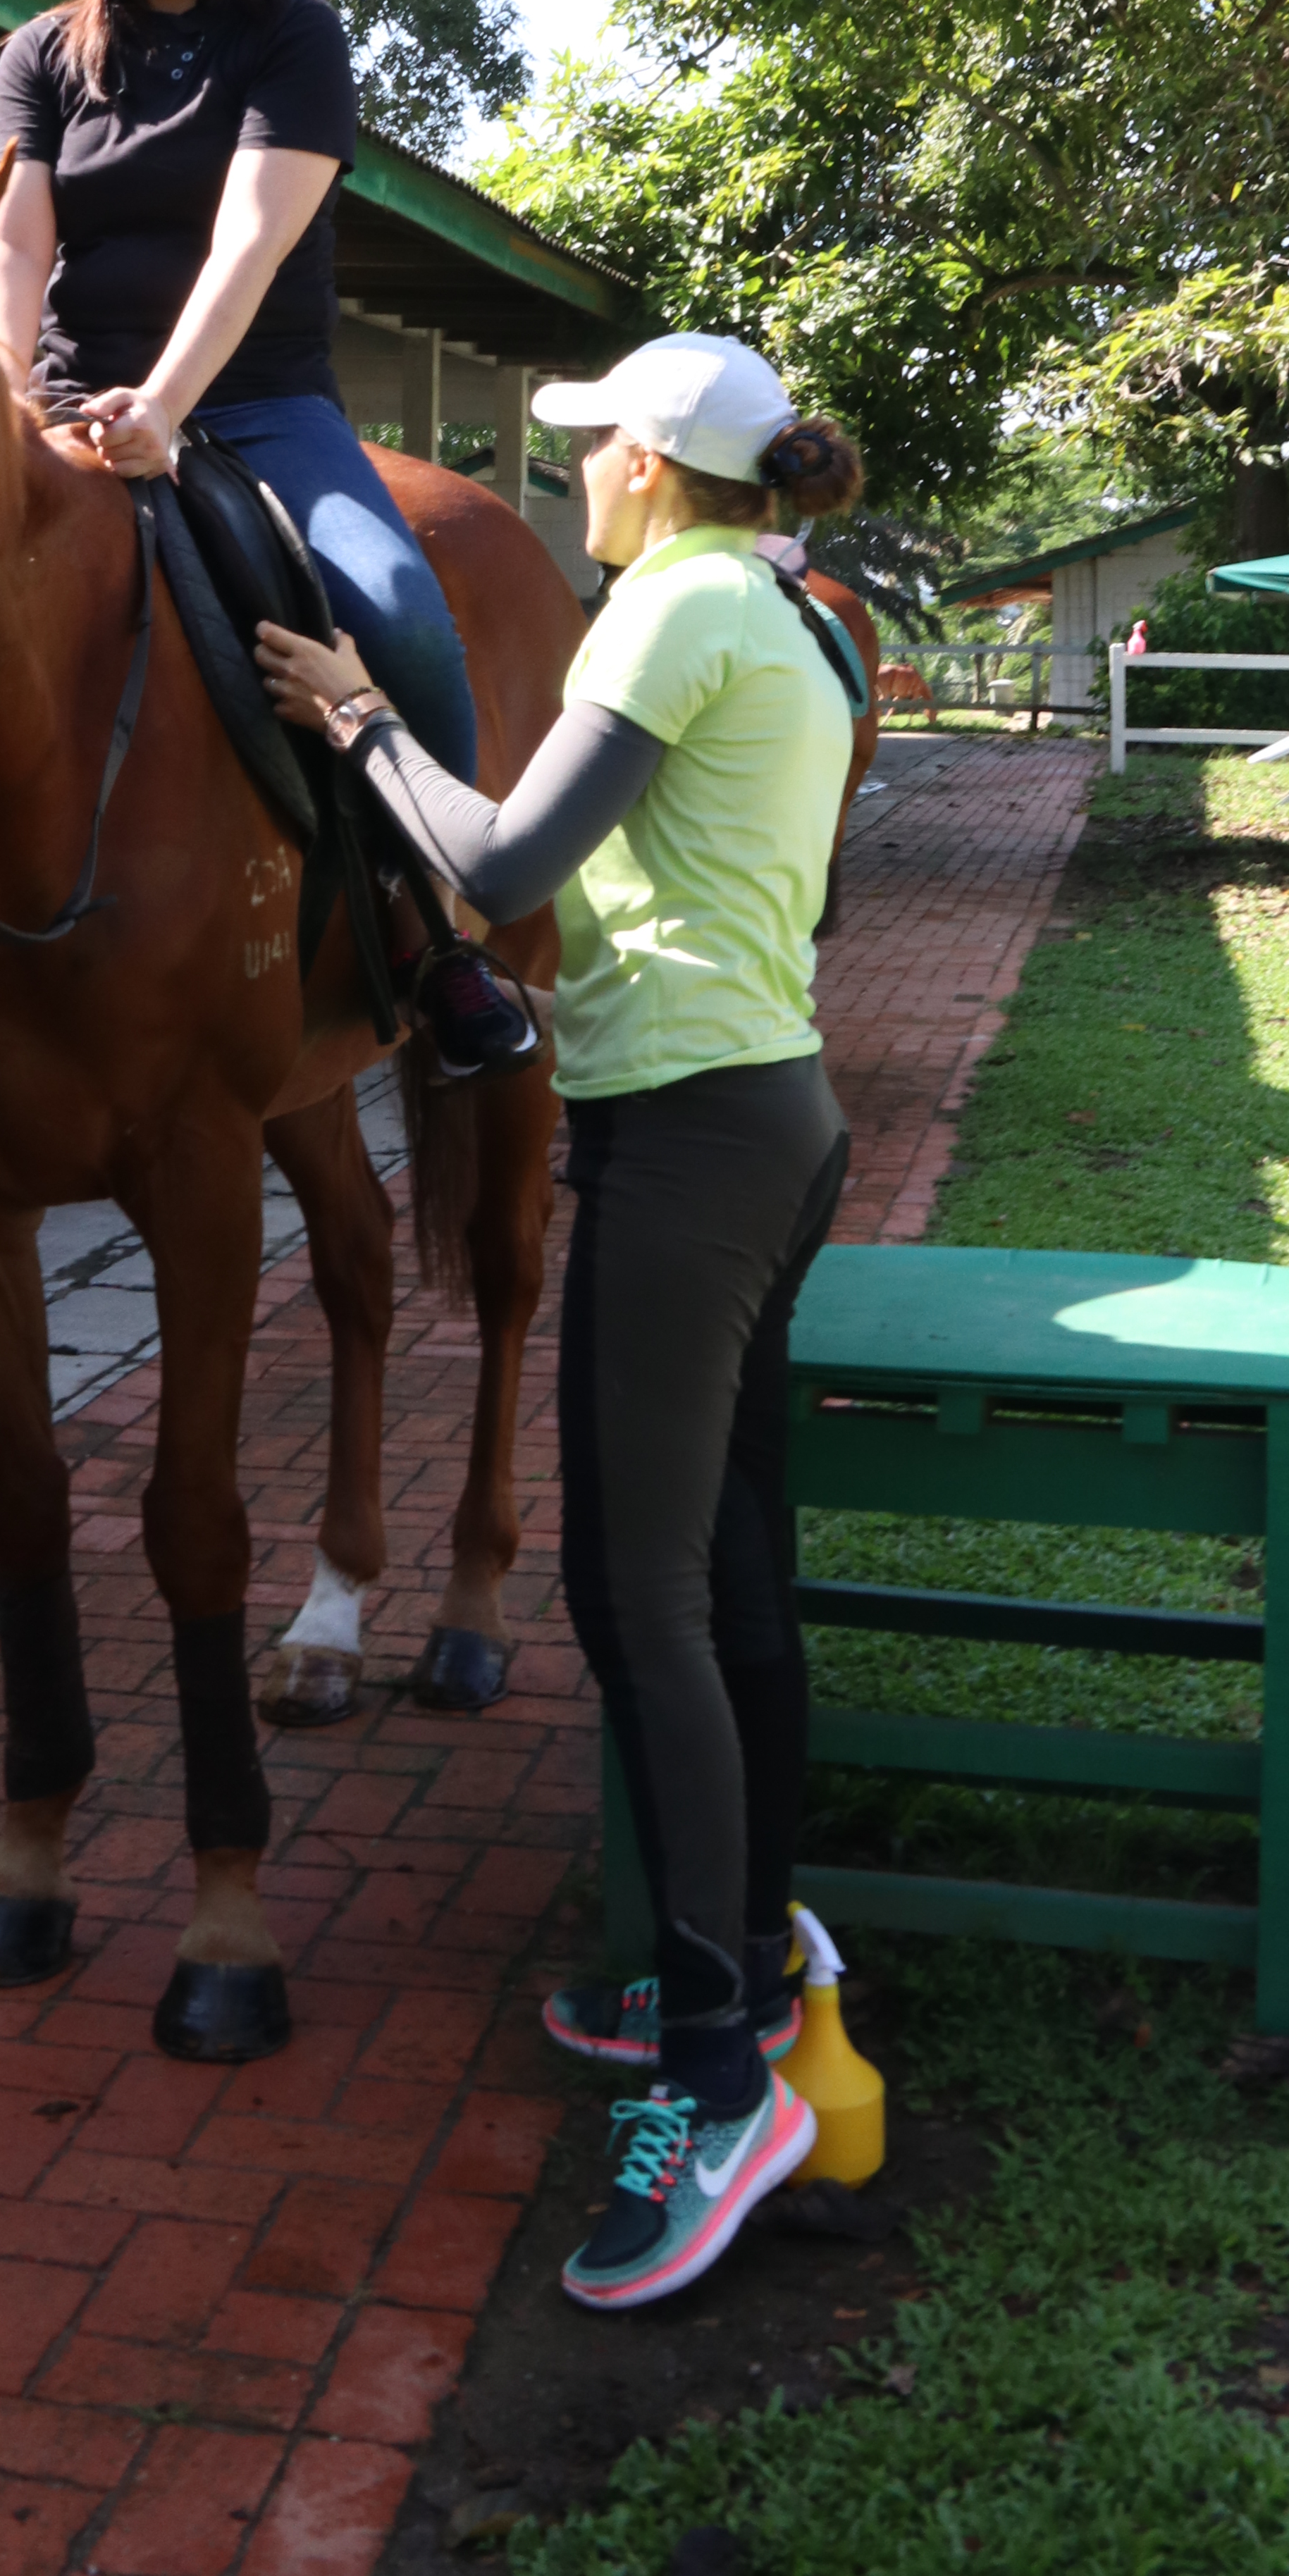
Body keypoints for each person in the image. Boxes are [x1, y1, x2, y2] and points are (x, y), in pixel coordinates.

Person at [255, 333, 864, 2313]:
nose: (575, 474)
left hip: (688, 1147)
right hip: (773, 1113)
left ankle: (718, 2077)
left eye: (592, 447)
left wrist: (359, 722)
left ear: (658, 469)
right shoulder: (791, 621)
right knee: (734, 1574)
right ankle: (750, 1963)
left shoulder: (668, 615)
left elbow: (503, 856)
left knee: (637, 1598)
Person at [0, 0, 536, 1074]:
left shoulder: (293, 36)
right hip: (68, 406)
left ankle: (435, 928)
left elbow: (249, 241)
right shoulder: (39, 56)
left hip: (258, 409)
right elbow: (8, 241)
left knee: (399, 616)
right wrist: (4, 405)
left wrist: (163, 405)